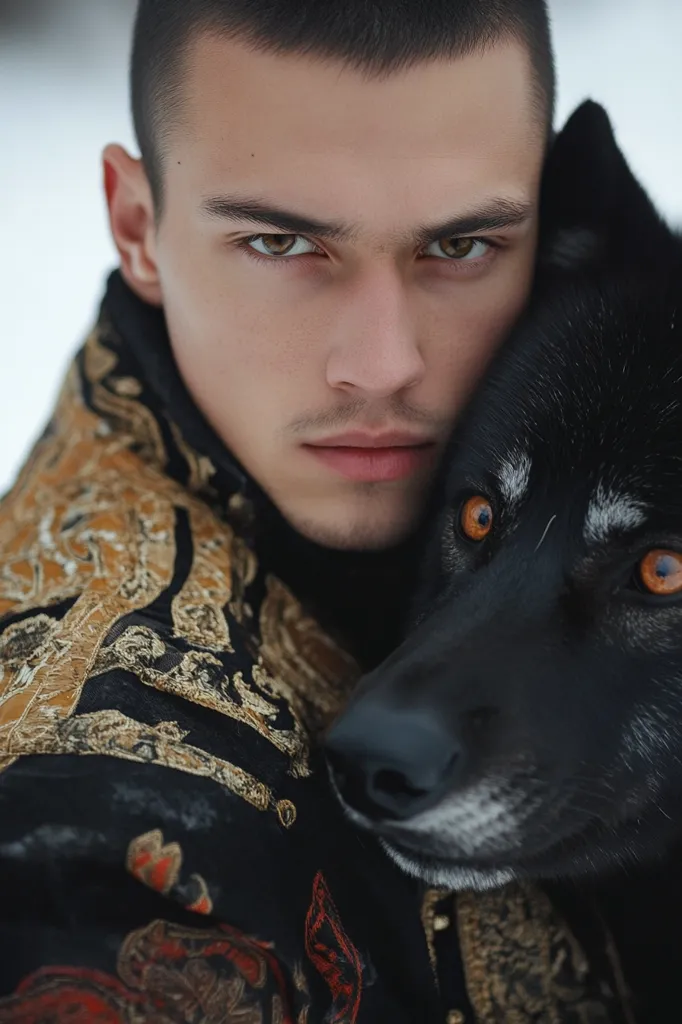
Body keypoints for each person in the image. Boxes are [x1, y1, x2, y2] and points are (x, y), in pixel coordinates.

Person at [0, 2, 633, 1021]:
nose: (382, 365)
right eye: (282, 243)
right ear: (137, 227)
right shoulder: (91, 839)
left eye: (462, 245)